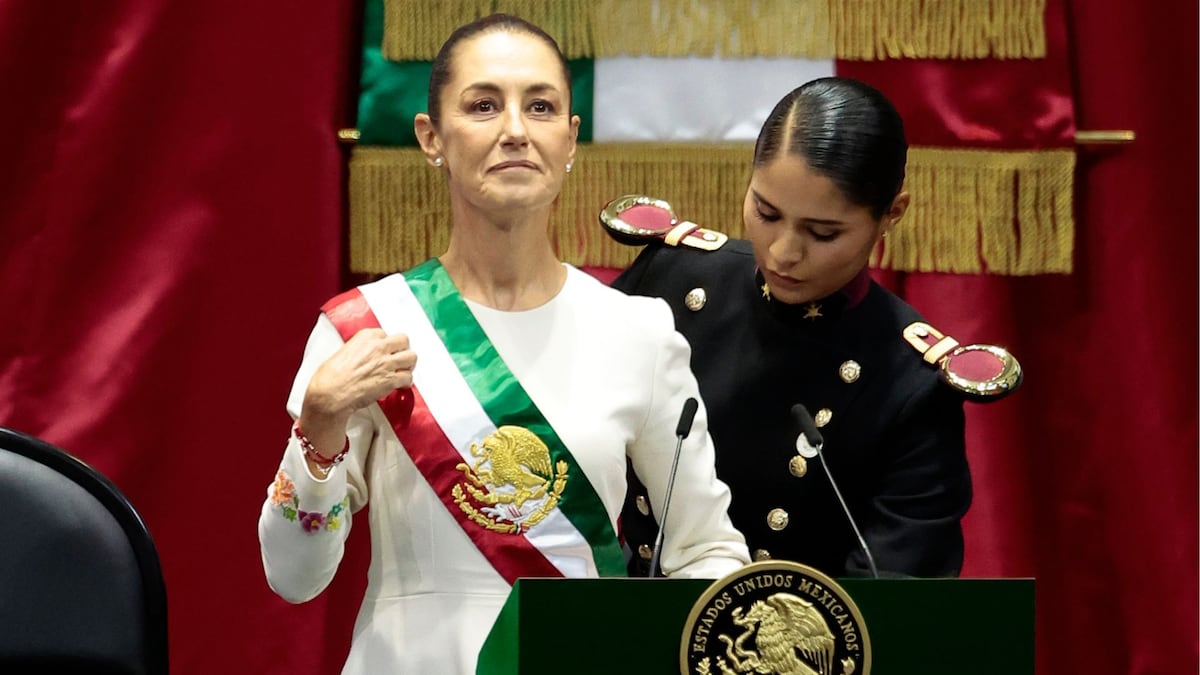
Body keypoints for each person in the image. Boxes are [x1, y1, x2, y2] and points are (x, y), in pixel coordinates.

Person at [257, 13, 749, 675]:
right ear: (431, 137)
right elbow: (294, 575)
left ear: (570, 139)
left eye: (540, 106)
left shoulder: (639, 334)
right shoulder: (367, 327)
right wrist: (319, 426)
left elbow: (710, 554)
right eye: (484, 105)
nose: (516, 130)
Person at [610, 77, 1018, 579]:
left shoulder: (911, 385)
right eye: (766, 212)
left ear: (892, 214)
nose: (783, 252)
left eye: (822, 232)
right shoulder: (670, 280)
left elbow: (894, 600)